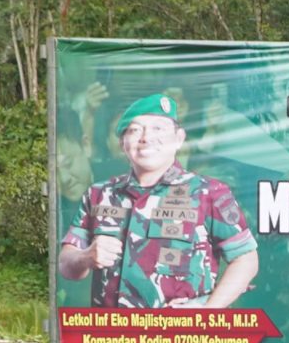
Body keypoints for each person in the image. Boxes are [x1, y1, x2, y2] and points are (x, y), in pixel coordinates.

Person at [56, 91, 260, 310]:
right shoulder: (99, 194)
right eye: (135, 130)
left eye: (158, 128)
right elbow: (66, 265)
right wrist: (86, 256)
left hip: (182, 330)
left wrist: (207, 310)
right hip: (111, 329)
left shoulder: (209, 193)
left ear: (178, 138)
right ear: (123, 142)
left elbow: (246, 260)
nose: (146, 138)